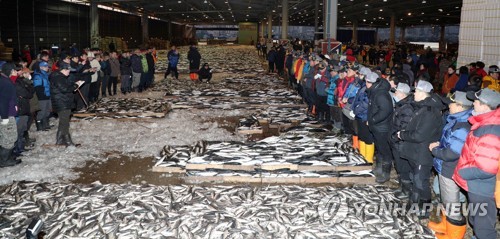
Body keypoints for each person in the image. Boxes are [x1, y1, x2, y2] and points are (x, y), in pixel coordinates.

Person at [453, 88, 500, 239]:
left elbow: (487, 168)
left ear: (485, 107)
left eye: (476, 101)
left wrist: (463, 172)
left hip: (482, 188)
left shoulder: (491, 131)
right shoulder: (485, 123)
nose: (473, 103)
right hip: (476, 186)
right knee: (475, 220)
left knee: (484, 229)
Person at [427, 91, 473, 239]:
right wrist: (441, 144)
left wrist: (435, 150)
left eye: (451, 104)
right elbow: (451, 142)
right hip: (444, 167)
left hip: (450, 169)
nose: (448, 106)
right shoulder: (456, 119)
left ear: (460, 107)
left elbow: (452, 153)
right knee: (446, 201)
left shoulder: (462, 126)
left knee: (452, 204)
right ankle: (445, 225)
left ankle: (454, 235)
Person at [397, 80, 444, 218]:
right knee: (415, 179)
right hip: (415, 151)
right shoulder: (422, 107)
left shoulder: (430, 112)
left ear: (424, 94)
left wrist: (402, 134)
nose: (414, 93)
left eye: (416, 91)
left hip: (422, 153)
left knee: (421, 181)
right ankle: (414, 203)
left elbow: (420, 135)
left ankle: (425, 208)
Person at [366, 71, 394, 183]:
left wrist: (372, 120)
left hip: (382, 127)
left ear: (370, 83)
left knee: (384, 150)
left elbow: (386, 110)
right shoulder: (375, 90)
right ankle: (379, 168)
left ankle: (385, 174)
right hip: (377, 126)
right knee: (379, 149)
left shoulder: (381, 94)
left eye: (366, 82)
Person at [389, 83, 414, 199]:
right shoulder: (400, 105)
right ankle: (402, 186)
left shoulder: (407, 108)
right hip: (396, 142)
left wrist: (394, 137)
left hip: (401, 143)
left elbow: (404, 127)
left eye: (397, 92)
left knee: (403, 168)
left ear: (403, 94)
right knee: (399, 166)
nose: (395, 94)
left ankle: (406, 190)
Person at [50, 63, 84, 146]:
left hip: (64, 101)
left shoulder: (60, 77)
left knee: (63, 121)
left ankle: (59, 140)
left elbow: (65, 86)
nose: (69, 72)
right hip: (62, 102)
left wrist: (74, 84)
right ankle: (68, 141)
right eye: (68, 70)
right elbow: (65, 89)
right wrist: (76, 85)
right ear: (63, 70)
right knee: (65, 123)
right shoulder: (58, 77)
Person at [0, 63, 22, 167]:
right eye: (14, 70)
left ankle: (6, 157)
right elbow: (3, 101)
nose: (16, 72)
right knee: (10, 136)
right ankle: (5, 160)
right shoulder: (6, 83)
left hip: (6, 113)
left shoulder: (4, 80)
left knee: (4, 136)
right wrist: (4, 117)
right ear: (10, 71)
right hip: (6, 114)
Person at [14, 69, 35, 156]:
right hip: (20, 109)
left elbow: (30, 93)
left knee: (22, 129)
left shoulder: (21, 81)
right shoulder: (17, 82)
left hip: (24, 108)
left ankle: (21, 147)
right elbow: (27, 94)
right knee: (18, 130)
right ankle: (17, 149)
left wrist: (28, 83)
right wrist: (28, 86)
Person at [33, 61, 51, 131]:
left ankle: (45, 124)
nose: (47, 68)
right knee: (42, 111)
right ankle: (39, 125)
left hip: (47, 95)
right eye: (45, 66)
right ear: (40, 67)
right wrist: (41, 96)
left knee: (47, 111)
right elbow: (37, 87)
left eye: (47, 66)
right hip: (42, 97)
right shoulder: (38, 75)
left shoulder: (45, 74)